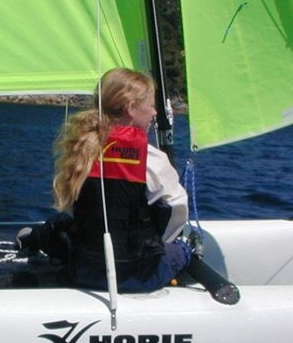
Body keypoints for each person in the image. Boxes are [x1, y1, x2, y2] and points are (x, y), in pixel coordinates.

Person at [18, 67, 190, 292]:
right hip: (138, 276)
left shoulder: (81, 153)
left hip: (83, 270)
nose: (155, 112)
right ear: (131, 107)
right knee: (182, 249)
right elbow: (178, 210)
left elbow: (71, 209)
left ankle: (34, 238)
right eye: (151, 105)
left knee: (62, 224)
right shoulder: (153, 160)